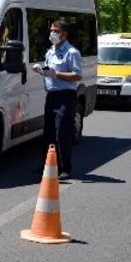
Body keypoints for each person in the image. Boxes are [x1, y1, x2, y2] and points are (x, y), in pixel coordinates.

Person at [36, 19, 82, 180]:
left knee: (62, 132)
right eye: (51, 30)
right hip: (51, 95)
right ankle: (48, 165)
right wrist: (41, 70)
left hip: (65, 96)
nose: (52, 34)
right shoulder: (50, 51)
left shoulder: (72, 52)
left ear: (64, 34)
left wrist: (56, 74)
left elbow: (77, 75)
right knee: (48, 133)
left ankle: (65, 168)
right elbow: (49, 70)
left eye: (56, 31)